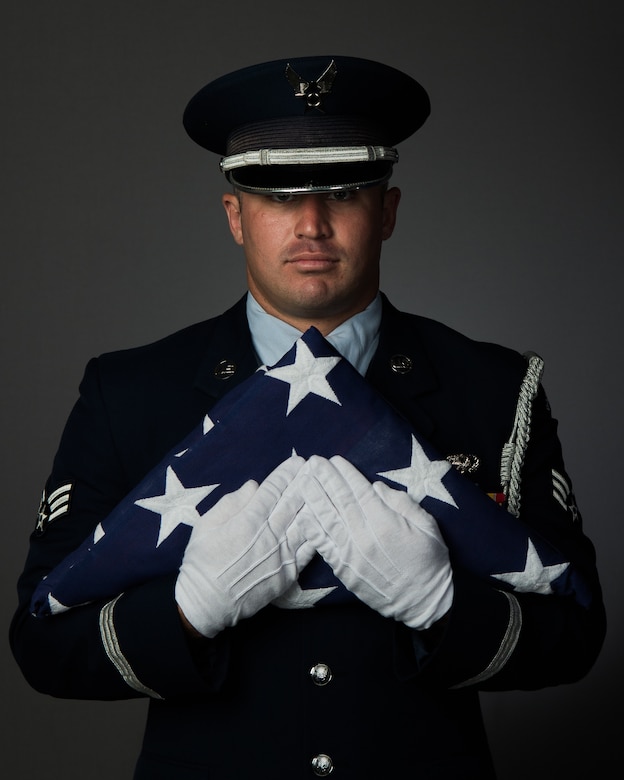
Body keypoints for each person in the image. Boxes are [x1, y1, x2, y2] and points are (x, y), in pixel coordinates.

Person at [10, 55, 606, 779]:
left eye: (346, 191)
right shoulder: (130, 392)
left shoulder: (493, 386)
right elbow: (43, 642)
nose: (313, 224)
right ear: (235, 216)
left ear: (387, 211)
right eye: (277, 195)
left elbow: (575, 631)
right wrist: (188, 610)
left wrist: (444, 606)